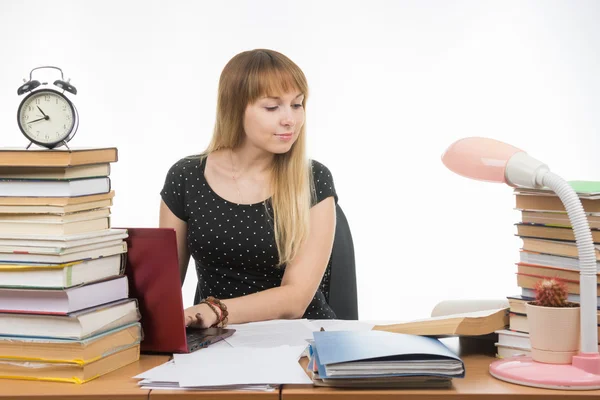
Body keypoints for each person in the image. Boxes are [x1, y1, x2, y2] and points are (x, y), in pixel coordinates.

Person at [159, 49, 338, 328]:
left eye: (297, 104)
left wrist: (214, 310)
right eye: (272, 107)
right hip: (215, 344)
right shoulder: (186, 176)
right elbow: (163, 291)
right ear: (234, 108)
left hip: (301, 342)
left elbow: (296, 300)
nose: (289, 119)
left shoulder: (314, 178)